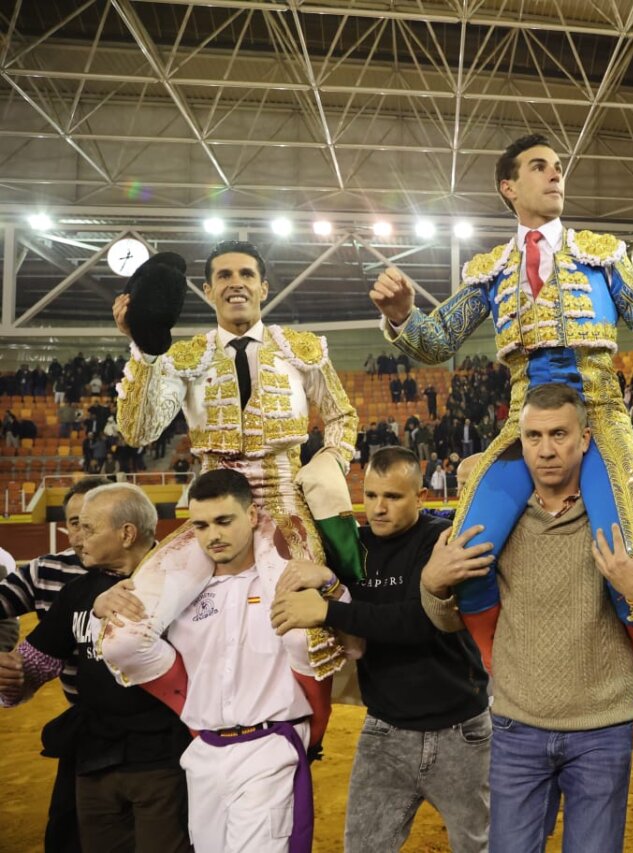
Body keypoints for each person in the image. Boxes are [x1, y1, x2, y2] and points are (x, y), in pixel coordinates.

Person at [370, 135, 633, 671]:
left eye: (559, 167)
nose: (555, 175)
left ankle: (626, 671)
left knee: (623, 552)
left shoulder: (602, 253)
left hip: (597, 411)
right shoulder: (492, 268)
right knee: (468, 547)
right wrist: (402, 315)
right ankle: (496, 664)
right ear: (509, 187)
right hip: (526, 418)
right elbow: (437, 343)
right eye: (540, 167)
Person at [419, 383, 633, 852]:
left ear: (585, 438)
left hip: (602, 730)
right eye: (533, 437)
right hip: (515, 727)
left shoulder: (629, 511)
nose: (546, 450)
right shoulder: (490, 519)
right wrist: (433, 584)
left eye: (559, 435)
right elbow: (446, 621)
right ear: (519, 440)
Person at [105, 240, 357, 706]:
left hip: (284, 502)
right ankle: (198, 715)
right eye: (224, 276)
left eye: (245, 274)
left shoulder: (300, 349)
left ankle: (309, 741)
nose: (235, 283)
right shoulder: (184, 357)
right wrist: (142, 346)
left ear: (264, 286)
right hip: (213, 510)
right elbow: (139, 431)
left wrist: (330, 460)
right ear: (207, 290)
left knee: (305, 635)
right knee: (122, 637)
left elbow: (343, 416)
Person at [100, 469, 349, 853]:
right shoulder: (180, 597)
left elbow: (347, 638)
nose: (212, 535)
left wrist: (332, 584)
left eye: (223, 521)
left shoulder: (285, 582)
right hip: (203, 753)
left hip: (269, 748)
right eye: (200, 525)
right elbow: (131, 645)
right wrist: (102, 602)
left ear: (252, 517)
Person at [269, 447, 490, 852]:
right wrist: (327, 580)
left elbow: (418, 621)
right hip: (385, 731)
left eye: (393, 497)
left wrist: (329, 609)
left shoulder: (440, 541)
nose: (378, 508)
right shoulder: (354, 549)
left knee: (480, 847)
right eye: (370, 495)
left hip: (461, 732)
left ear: (419, 497)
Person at [0, 484, 193, 852]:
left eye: (88, 528)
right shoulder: (77, 591)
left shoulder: (184, 585)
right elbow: (35, 664)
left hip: (165, 759)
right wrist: (12, 676)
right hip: (94, 758)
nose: (77, 538)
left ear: (126, 534)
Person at [0, 475, 112, 853]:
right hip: (86, 727)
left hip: (162, 730)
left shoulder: (158, 568)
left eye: (91, 523)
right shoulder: (45, 571)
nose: (80, 535)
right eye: (74, 523)